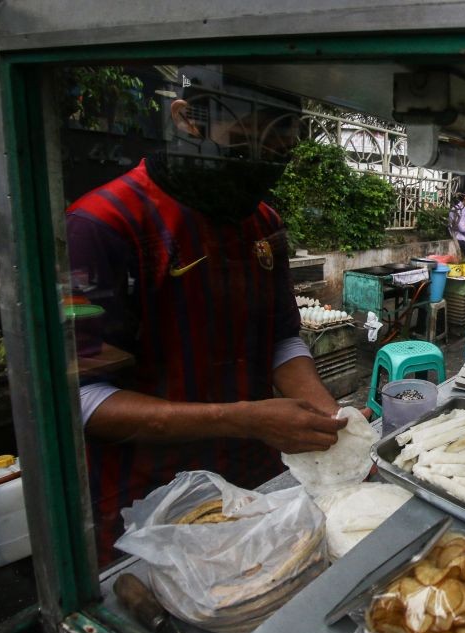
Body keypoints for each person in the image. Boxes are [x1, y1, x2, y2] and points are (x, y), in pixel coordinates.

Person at [66, 69, 352, 561]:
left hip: (253, 473)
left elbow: (282, 337)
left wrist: (328, 417)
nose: (262, 166)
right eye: (245, 146)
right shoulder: (101, 224)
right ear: (187, 120)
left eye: (280, 152)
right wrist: (242, 418)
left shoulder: (263, 222)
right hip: (146, 496)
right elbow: (83, 396)